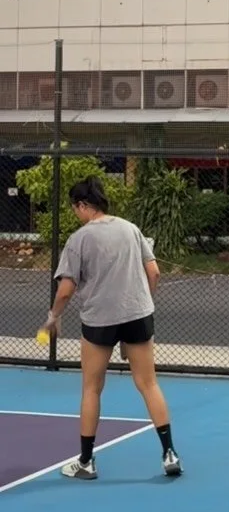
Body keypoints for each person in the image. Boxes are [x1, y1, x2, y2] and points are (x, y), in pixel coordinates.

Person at [41, 175, 182, 481]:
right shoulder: (131, 229)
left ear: (82, 205)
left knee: (91, 388)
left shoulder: (79, 240)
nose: (75, 213)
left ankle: (86, 462)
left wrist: (53, 318)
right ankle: (169, 453)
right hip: (139, 316)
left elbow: (65, 290)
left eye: (74, 207)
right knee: (149, 384)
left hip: (99, 321)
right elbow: (154, 272)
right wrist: (141, 305)